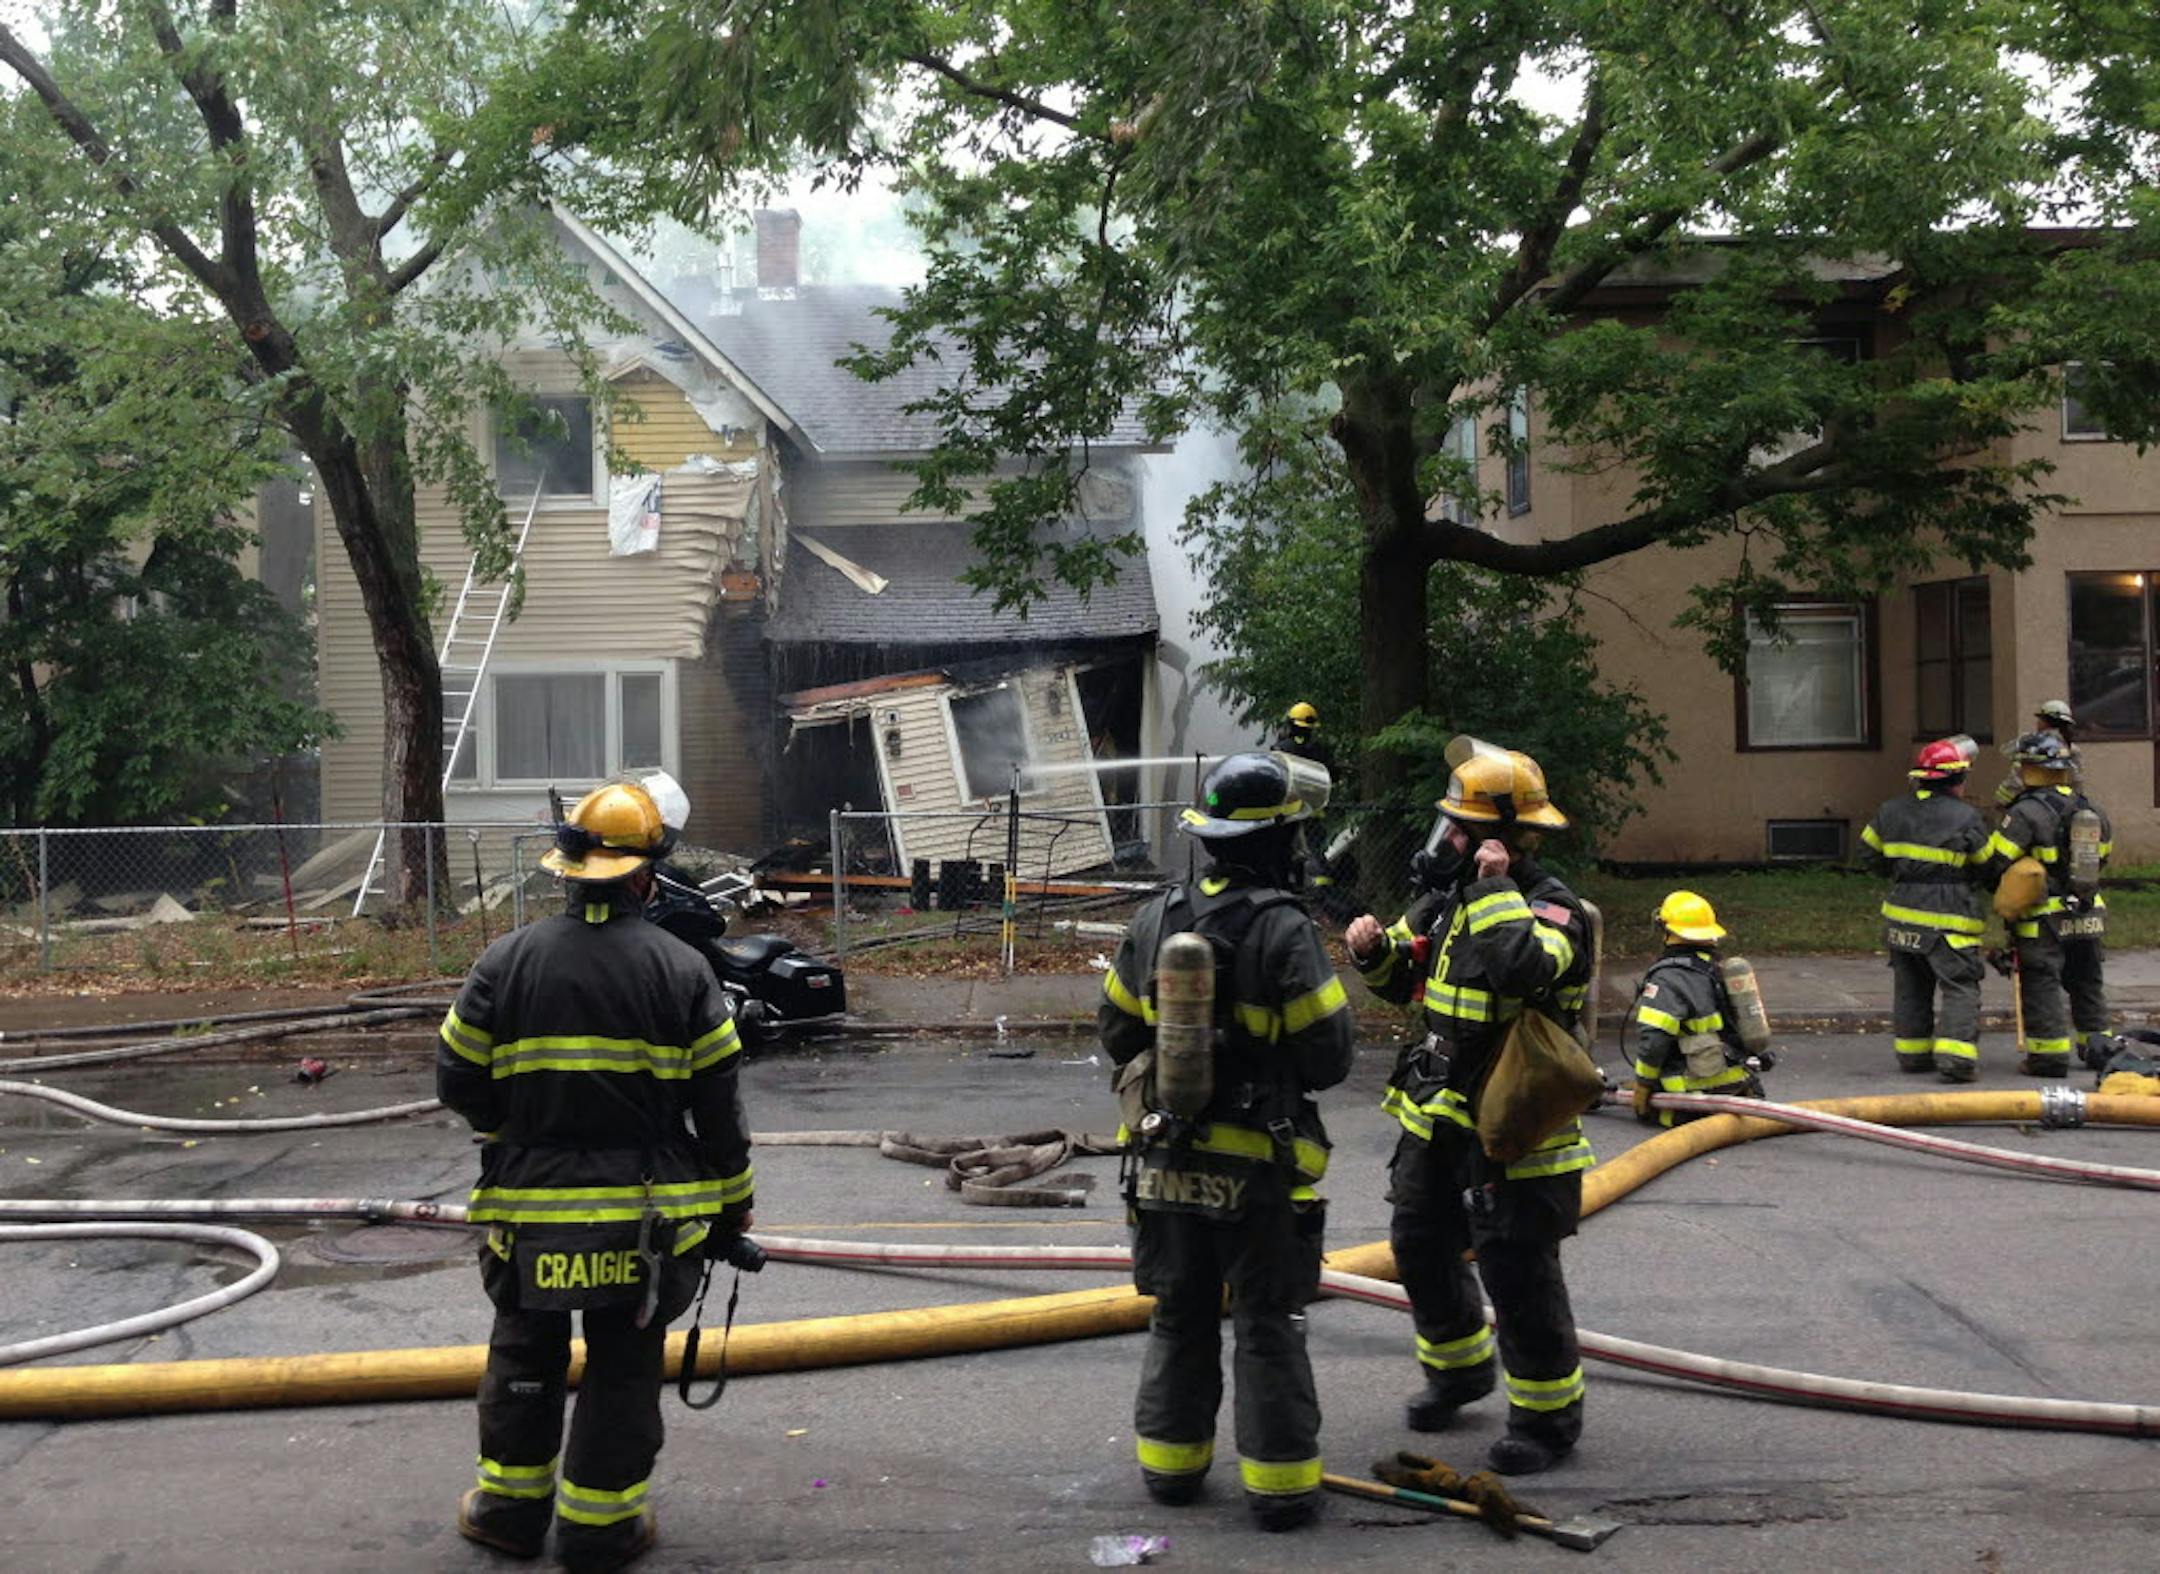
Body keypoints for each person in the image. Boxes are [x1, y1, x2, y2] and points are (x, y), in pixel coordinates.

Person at [440, 778, 754, 1572]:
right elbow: (719, 1110)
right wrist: (733, 1203)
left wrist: (506, 1133)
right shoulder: (683, 971)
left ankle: (509, 1516)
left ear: (567, 871)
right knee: (624, 1365)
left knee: (523, 1355)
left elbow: (456, 1077)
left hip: (528, 1212)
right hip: (646, 1222)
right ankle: (598, 1530)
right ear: (647, 877)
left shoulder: (502, 963)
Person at [1099, 750, 1354, 1532]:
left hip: (1164, 1164)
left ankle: (1171, 1474)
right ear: (1277, 842)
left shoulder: (1155, 917)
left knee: (1178, 1316)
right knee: (1267, 1325)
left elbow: (1114, 1034)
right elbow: (1329, 1057)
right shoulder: (1284, 928)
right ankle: (1279, 1491)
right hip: (1256, 1173)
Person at [1346, 737, 1595, 1477]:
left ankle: (1547, 1421)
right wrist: (1371, 951)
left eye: (1461, 830)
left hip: (1513, 1121)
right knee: (1417, 1242)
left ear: (1506, 842)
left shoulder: (1553, 907)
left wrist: (1492, 893)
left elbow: (1522, 968)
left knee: (1516, 1269)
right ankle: (1457, 1371)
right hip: (1440, 1115)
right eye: (1447, 827)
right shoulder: (1446, 899)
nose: (1446, 841)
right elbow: (1402, 977)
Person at [1859, 738, 1990, 1080]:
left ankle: (1913, 1056)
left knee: (1911, 986)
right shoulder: (1966, 817)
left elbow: (1868, 855)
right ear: (1957, 779)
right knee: (1960, 985)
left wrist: (1903, 874)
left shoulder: (1890, 810)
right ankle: (1956, 1061)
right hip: (1948, 919)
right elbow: (1987, 864)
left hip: (1902, 916)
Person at [1985, 731, 2113, 1076]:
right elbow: (2102, 858)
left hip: (2042, 919)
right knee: (2087, 981)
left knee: (2042, 982)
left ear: (2033, 769)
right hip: (2087, 913)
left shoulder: (2025, 813)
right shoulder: (2092, 809)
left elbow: (1997, 860)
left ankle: (2048, 1057)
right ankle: (2099, 1048)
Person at [1627, 891, 1774, 1125]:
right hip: (1738, 1081)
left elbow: (1654, 1040)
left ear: (1667, 930)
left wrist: (1643, 1084)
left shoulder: (1668, 978)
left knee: (1654, 1111)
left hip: (1691, 1093)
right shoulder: (1718, 968)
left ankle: (1669, 1111)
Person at [1271, 703, 1339, 902]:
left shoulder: (1281, 750)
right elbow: (1333, 775)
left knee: (1284, 850)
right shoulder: (1321, 751)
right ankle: (1323, 896)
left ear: (1291, 725)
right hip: (1314, 812)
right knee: (1315, 851)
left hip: (1287, 812)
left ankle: (1286, 890)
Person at [1995, 702, 2078, 807]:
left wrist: (2001, 801)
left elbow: (2017, 777)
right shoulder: (2071, 749)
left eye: (2040, 719)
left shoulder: (2031, 744)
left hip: (2032, 800)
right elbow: (2077, 779)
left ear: (2044, 721)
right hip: (2065, 800)